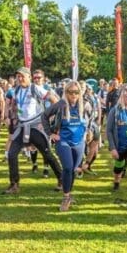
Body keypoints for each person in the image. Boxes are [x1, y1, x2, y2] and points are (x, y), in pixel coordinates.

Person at [4, 67, 61, 195]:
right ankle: (14, 184)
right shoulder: (17, 90)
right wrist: (11, 117)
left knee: (47, 155)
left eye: (22, 76)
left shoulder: (36, 88)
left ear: (28, 77)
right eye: (18, 76)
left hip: (36, 126)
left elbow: (55, 101)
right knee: (12, 154)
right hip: (22, 126)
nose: (20, 79)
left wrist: (48, 118)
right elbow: (15, 105)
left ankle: (62, 180)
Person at [43, 81, 88, 211]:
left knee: (73, 169)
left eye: (76, 92)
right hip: (63, 141)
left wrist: (88, 132)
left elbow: (90, 119)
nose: (73, 95)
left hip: (79, 142)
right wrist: (50, 133)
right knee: (67, 167)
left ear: (80, 93)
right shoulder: (61, 105)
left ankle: (69, 192)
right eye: (70, 92)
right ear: (66, 92)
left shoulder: (84, 104)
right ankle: (66, 197)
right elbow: (44, 116)